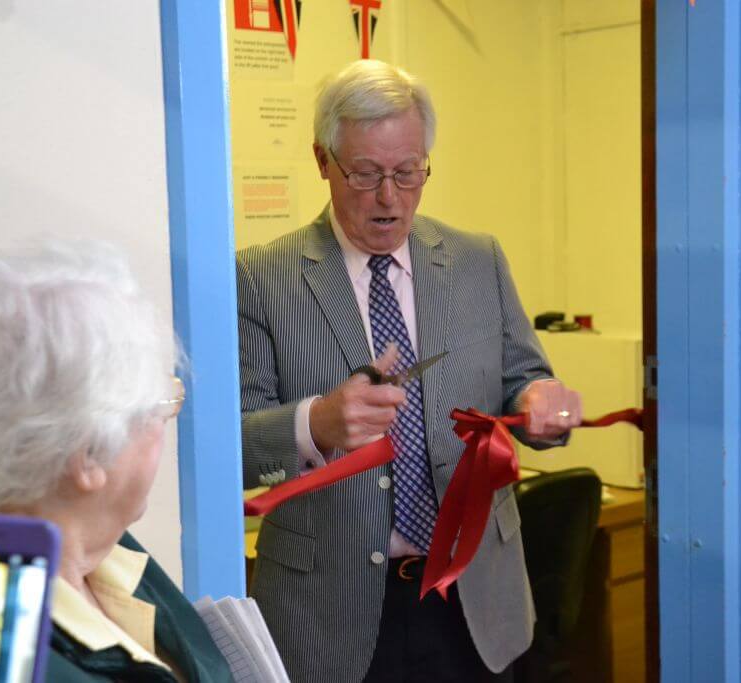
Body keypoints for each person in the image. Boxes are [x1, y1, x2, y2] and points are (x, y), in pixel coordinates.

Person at [238, 59, 583, 682]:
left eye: (408, 171)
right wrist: (314, 423)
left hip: (473, 603)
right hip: (329, 615)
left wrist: (543, 402)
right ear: (323, 160)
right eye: (366, 173)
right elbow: (229, 450)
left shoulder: (478, 261)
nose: (390, 197)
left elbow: (526, 380)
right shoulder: (261, 277)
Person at [0, 242, 235, 683]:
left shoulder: (111, 549)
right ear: (91, 454)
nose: (167, 423)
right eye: (164, 404)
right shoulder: (7, 651)